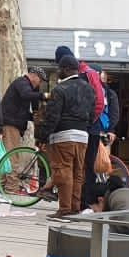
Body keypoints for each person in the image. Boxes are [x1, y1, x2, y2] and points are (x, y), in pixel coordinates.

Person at [41, 53, 95, 218]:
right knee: (78, 173)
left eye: (60, 69)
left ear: (65, 69)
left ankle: (64, 209)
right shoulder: (89, 89)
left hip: (63, 136)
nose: (59, 72)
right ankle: (74, 208)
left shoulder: (59, 89)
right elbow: (92, 114)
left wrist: (43, 137)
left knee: (63, 171)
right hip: (83, 136)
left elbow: (52, 117)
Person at [0, 67, 46, 153]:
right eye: (40, 80)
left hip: (13, 124)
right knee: (12, 156)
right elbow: (26, 94)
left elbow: (20, 111)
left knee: (13, 154)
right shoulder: (22, 82)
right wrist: (44, 96)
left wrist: (33, 117)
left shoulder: (23, 84)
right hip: (11, 125)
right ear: (34, 76)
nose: (39, 84)